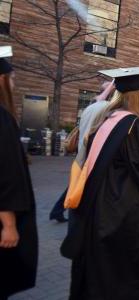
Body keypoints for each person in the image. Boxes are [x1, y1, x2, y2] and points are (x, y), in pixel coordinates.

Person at [61, 67, 139, 299]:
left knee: (101, 271)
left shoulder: (106, 120)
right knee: (123, 273)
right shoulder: (134, 124)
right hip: (121, 209)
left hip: (96, 203)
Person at [0, 47, 38, 299]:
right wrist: (9, 224)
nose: (14, 83)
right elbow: (5, 175)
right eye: (12, 78)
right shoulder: (2, 117)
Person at [49, 80, 115, 223]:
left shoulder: (91, 106)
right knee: (81, 183)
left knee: (78, 182)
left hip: (82, 149)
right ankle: (63, 210)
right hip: (92, 151)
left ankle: (58, 210)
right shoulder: (106, 108)